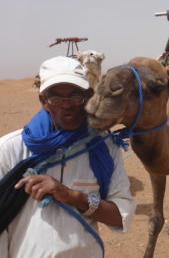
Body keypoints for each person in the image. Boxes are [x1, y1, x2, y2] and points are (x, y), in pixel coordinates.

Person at [0, 56, 136, 257]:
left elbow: (119, 216)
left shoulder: (103, 147)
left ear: (88, 97)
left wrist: (73, 196)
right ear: (43, 101)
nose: (67, 105)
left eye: (75, 96)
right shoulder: (10, 148)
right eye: (56, 98)